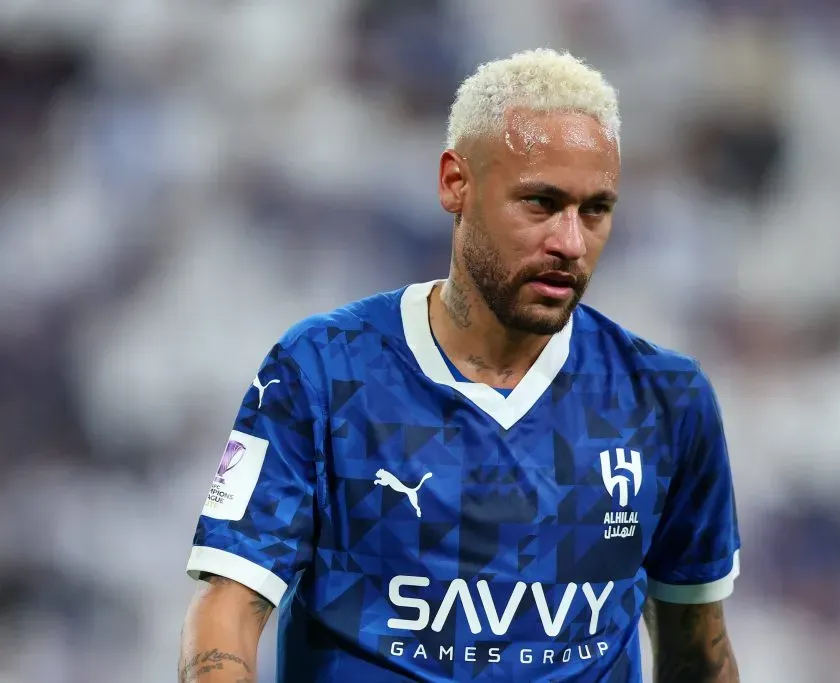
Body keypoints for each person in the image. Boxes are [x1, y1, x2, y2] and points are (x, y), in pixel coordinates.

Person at [179, 48, 741, 683]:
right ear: (456, 183)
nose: (570, 243)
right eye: (539, 203)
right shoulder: (322, 371)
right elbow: (229, 608)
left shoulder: (666, 399)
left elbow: (699, 650)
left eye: (595, 210)